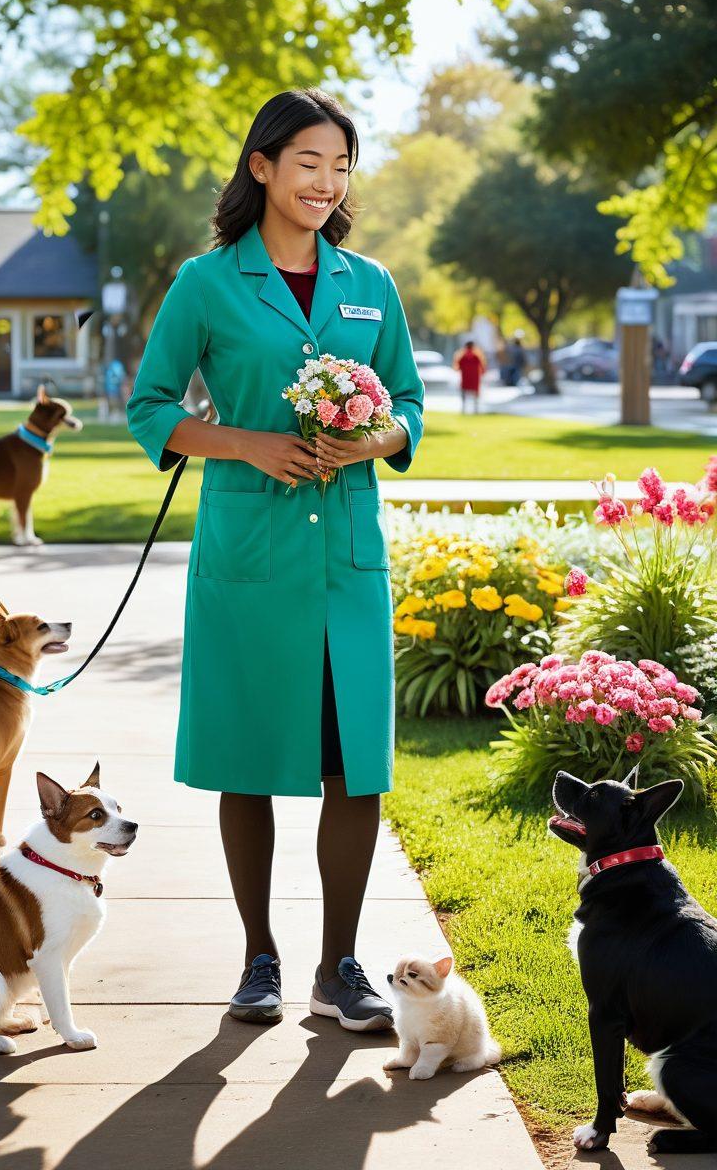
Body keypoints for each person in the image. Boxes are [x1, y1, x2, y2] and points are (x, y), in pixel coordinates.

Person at [126, 87, 425, 1032]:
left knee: (356, 770)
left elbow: (412, 407)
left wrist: (374, 440)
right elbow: (149, 406)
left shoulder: (370, 284)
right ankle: (259, 957)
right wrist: (247, 443)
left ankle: (341, 967)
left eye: (340, 167)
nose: (326, 183)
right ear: (261, 167)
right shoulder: (206, 283)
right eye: (308, 163)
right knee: (247, 760)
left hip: (346, 560)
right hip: (248, 555)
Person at [452, 339, 487, 413]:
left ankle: (463, 408)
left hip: (465, 377)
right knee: (475, 394)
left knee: (464, 392)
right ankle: (476, 409)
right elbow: (482, 367)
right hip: (475, 377)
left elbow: (457, 367)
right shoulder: (477, 355)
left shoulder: (462, 355)